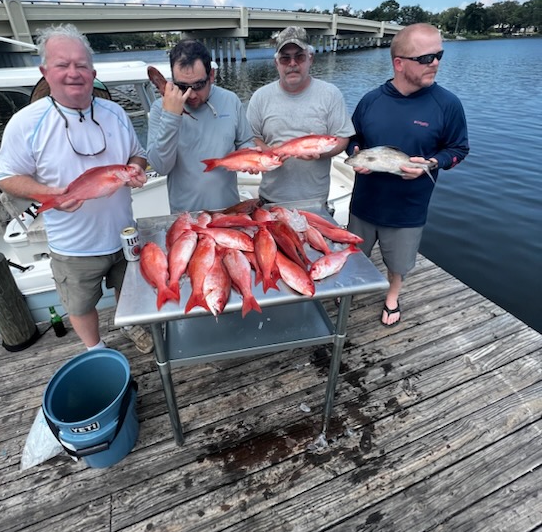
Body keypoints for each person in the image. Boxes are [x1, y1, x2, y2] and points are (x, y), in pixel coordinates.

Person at [0, 24, 148, 351]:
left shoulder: (116, 113)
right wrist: (49, 196)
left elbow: (138, 153)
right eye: (62, 65)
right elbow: (6, 177)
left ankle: (133, 326)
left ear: (93, 73)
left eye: (80, 65)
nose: (73, 73)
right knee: (79, 305)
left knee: (129, 289)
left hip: (123, 233)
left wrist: (136, 168)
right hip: (73, 247)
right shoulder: (25, 123)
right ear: (44, 71)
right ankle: (96, 348)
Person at [348, 22, 469, 326]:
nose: (436, 63)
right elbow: (353, 139)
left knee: (398, 263)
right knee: (353, 253)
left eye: (439, 55)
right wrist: (354, 154)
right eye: (427, 58)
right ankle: (350, 288)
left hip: (408, 210)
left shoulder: (448, 105)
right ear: (399, 64)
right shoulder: (370, 101)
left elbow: (458, 149)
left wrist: (432, 163)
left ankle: (392, 295)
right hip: (363, 205)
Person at [246, 26, 354, 207]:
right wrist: (267, 154)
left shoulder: (331, 94)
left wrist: (321, 153)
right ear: (277, 63)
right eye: (285, 58)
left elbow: (342, 137)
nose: (292, 63)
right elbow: (251, 137)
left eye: (299, 56)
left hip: (315, 202)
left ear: (310, 58)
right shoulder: (260, 97)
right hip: (270, 200)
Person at [145, 39, 255, 212]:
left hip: (230, 211)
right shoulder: (160, 108)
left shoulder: (231, 100)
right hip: (185, 219)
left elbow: (245, 141)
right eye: (182, 86)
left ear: (211, 76)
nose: (191, 94)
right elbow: (160, 167)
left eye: (198, 85)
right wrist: (171, 116)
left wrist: (249, 158)